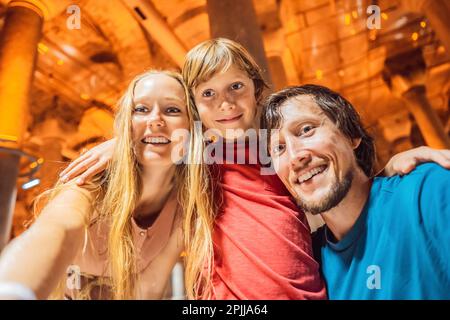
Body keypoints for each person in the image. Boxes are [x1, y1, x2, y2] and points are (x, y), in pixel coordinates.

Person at [58, 39, 449, 300]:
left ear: (256, 89)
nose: (225, 103)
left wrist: (394, 165)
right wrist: (127, 141)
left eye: (236, 88)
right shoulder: (198, 161)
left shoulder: (278, 155)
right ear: (195, 108)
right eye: (207, 94)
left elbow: (342, 186)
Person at [0, 70, 195, 299]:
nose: (155, 119)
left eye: (172, 109)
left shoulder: (186, 200)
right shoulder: (94, 178)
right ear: (125, 124)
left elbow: (151, 284)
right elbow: (58, 229)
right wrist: (13, 289)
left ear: (192, 126)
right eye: (141, 109)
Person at [263, 84, 450, 299]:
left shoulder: (428, 192)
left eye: (306, 130)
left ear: (351, 135)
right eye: (279, 148)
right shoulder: (306, 261)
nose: (295, 156)